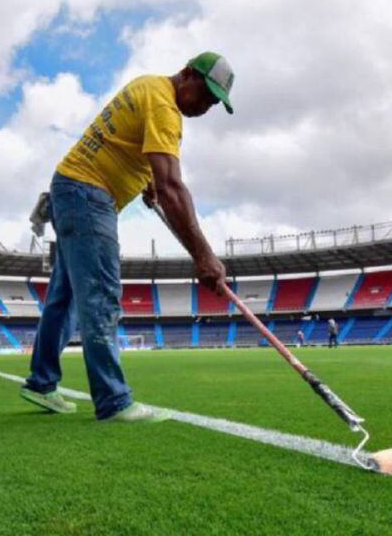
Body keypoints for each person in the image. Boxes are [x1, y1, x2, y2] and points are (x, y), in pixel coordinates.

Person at [21, 52, 235, 422]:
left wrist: (146, 181)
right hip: (88, 195)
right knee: (101, 296)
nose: (207, 106)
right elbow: (172, 187)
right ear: (187, 74)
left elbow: (127, 145)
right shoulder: (164, 107)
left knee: (65, 297)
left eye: (215, 102)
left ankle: (41, 382)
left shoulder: (149, 85)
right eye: (206, 94)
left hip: (69, 189)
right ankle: (113, 401)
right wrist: (204, 255)